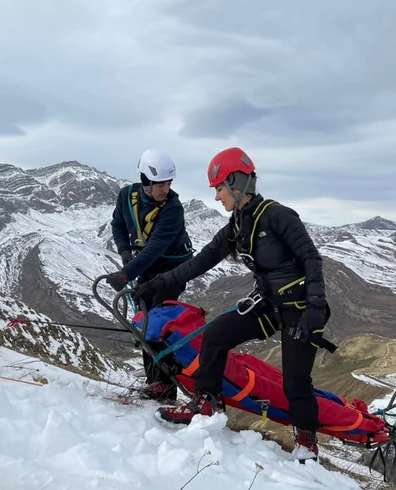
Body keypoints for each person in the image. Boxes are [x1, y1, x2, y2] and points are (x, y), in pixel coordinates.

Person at [133, 146, 330, 462]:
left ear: (238, 183)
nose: (216, 197)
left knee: (296, 380)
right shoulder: (237, 225)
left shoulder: (278, 215)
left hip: (301, 308)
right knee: (216, 335)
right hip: (266, 304)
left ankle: (307, 442)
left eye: (219, 189)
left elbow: (311, 257)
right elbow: (200, 262)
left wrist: (316, 306)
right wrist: (156, 283)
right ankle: (205, 403)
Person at [105, 149, 194, 402]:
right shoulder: (127, 196)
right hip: (146, 266)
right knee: (144, 319)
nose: (166, 189)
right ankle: (155, 381)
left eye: (169, 183)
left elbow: (156, 249)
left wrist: (125, 274)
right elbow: (118, 224)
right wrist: (124, 250)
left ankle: (165, 386)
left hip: (172, 268)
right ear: (145, 181)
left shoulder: (173, 209)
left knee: (156, 320)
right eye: (160, 184)